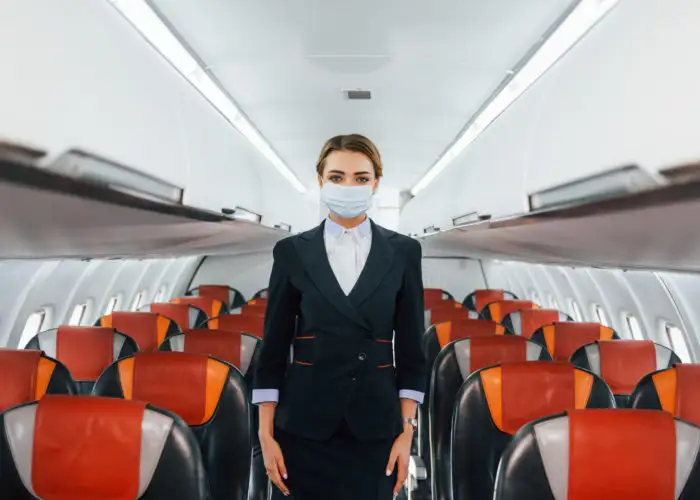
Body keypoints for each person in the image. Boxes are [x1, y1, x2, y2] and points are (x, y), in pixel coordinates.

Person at [253, 134, 427, 500]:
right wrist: (265, 435)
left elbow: (412, 352)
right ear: (320, 180)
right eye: (336, 177)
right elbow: (272, 351)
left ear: (376, 183)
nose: (348, 186)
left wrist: (407, 433)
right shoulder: (291, 252)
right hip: (304, 425)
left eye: (361, 178)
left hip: (376, 426)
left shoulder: (404, 252)